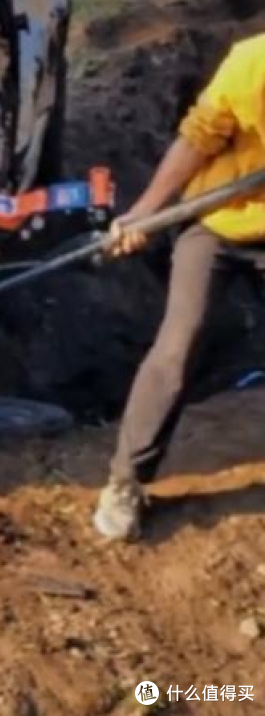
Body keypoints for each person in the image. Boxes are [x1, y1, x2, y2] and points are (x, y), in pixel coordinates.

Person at [94, 33, 265, 540]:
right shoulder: (252, 62)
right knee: (178, 345)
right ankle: (126, 482)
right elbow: (197, 137)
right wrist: (145, 214)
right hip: (218, 222)